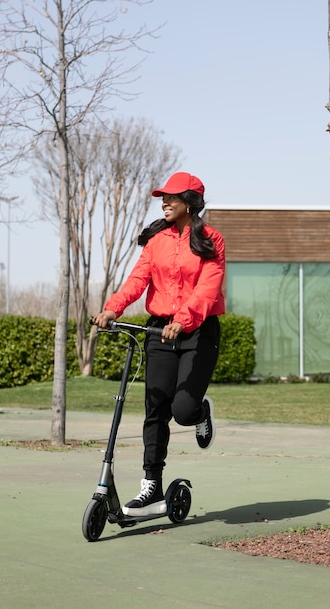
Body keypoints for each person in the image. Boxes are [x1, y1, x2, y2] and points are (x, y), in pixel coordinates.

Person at [92, 171, 225, 517]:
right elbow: (138, 279)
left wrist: (183, 319)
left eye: (171, 197)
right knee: (155, 409)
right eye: (162, 197)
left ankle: (200, 412)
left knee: (181, 410)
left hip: (198, 331)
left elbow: (208, 289)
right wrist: (112, 308)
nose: (164, 202)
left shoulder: (212, 240)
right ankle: (151, 486)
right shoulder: (157, 241)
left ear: (191, 203)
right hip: (159, 330)